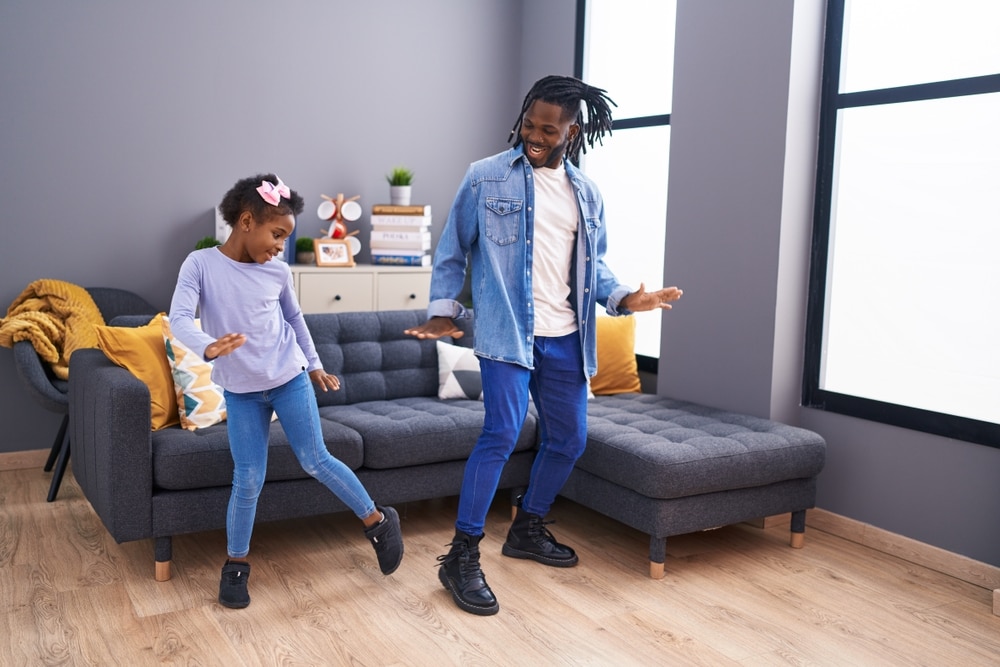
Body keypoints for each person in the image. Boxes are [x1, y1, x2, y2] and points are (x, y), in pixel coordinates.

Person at [405, 75, 683, 616]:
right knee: (500, 434)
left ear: (571, 132)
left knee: (570, 440)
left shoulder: (588, 193)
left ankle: (527, 527)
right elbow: (451, 252)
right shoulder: (485, 177)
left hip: (567, 339)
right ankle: (460, 556)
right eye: (529, 124)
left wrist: (627, 298)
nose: (533, 135)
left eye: (547, 129)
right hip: (508, 334)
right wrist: (442, 311)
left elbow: (594, 270)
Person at [169, 173, 404, 609]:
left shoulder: (277, 271)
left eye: (285, 238)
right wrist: (208, 344)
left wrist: (314, 366)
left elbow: (295, 322)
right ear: (245, 221)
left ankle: (378, 522)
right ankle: (236, 567)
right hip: (240, 391)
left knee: (315, 459)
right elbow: (179, 317)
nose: (281, 246)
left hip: (287, 378)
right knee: (248, 478)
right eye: (276, 234)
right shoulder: (200, 264)